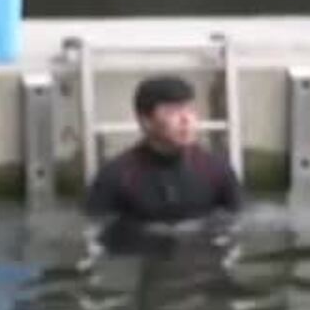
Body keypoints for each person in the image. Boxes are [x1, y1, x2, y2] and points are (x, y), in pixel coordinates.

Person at [85, 75, 242, 226]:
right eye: (173, 112)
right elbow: (95, 229)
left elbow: (238, 221)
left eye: (190, 110)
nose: (186, 120)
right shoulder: (117, 176)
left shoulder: (216, 170)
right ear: (146, 121)